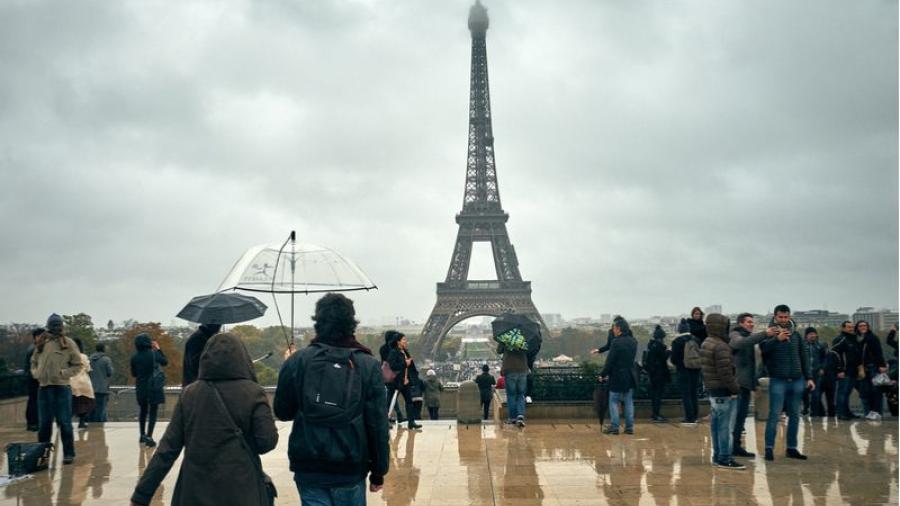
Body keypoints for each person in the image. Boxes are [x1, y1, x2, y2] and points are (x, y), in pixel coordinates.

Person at [130, 333, 278, 506]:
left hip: (194, 490)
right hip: (241, 488)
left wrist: (142, 494)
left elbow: (167, 449)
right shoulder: (253, 392)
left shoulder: (190, 394)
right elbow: (267, 442)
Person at [274, 293, 389, 503]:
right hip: (350, 464)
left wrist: (289, 365)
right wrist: (379, 470)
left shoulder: (299, 360)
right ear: (351, 323)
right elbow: (377, 424)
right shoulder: (368, 364)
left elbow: (283, 412)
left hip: (309, 463)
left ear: (317, 321)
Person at [759, 304, 814, 462]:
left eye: (786, 317)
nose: (783, 320)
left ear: (789, 317)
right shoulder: (769, 333)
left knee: (795, 415)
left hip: (797, 379)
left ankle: (791, 448)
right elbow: (763, 350)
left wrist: (809, 377)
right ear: (775, 317)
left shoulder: (796, 335)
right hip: (778, 380)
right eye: (780, 317)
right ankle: (769, 448)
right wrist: (777, 339)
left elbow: (804, 357)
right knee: (774, 415)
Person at [31, 314, 82, 464]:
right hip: (44, 388)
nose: (56, 328)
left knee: (64, 422)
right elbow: (33, 362)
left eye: (58, 325)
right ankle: (43, 455)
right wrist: (36, 373)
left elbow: (78, 364)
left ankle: (69, 453)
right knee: (44, 424)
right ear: (48, 326)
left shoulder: (68, 343)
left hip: (61, 387)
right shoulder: (42, 342)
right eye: (53, 325)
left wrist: (63, 373)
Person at [728, 312, 775, 457]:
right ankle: (732, 447)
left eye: (752, 322)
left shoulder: (746, 336)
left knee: (740, 418)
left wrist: (754, 383)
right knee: (736, 419)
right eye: (748, 322)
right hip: (739, 384)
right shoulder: (735, 334)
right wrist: (764, 334)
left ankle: (736, 446)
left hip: (746, 384)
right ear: (741, 323)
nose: (752, 324)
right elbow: (739, 343)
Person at [700, 313, 743, 469]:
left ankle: (718, 456)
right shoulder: (721, 346)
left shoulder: (707, 342)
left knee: (716, 426)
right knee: (725, 427)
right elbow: (726, 373)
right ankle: (725, 457)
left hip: (713, 390)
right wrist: (735, 389)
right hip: (723, 391)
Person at [601, 318, 638, 435]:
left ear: (619, 329)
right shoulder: (633, 341)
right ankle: (629, 427)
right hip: (630, 375)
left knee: (613, 400)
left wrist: (603, 374)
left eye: (614, 328)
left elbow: (610, 361)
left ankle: (615, 426)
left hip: (617, 375)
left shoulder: (616, 342)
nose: (613, 330)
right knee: (628, 401)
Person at [131, 333, 168, 448]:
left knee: (143, 411)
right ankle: (149, 436)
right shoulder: (154, 354)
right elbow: (165, 362)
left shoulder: (134, 358)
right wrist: (158, 349)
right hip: (153, 386)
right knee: (153, 411)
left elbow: (134, 374)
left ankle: (142, 435)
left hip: (141, 386)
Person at [387, 332, 423, 430]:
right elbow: (392, 366)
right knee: (390, 403)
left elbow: (409, 366)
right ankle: (385, 422)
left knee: (409, 402)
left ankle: (411, 422)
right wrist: (405, 363)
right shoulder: (394, 352)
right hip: (396, 382)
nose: (406, 341)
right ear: (398, 342)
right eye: (404, 340)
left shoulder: (404, 352)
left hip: (405, 381)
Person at [670, 318, 702, 425]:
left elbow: (674, 359)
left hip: (683, 370)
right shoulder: (696, 339)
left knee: (686, 395)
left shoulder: (677, 341)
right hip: (696, 370)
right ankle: (696, 416)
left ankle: (689, 418)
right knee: (694, 393)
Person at [831, 321, 864, 420]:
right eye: (849, 327)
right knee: (842, 392)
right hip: (844, 371)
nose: (851, 329)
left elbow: (857, 356)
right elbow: (835, 355)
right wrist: (839, 370)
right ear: (843, 328)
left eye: (852, 327)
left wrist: (859, 369)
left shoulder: (853, 339)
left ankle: (847, 412)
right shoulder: (840, 339)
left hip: (853, 371)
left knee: (848, 393)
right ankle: (840, 413)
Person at [856, 320, 888, 420]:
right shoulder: (857, 339)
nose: (863, 327)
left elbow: (879, 352)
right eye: (860, 326)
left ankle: (877, 413)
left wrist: (882, 365)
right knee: (864, 392)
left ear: (868, 327)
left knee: (876, 391)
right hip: (862, 369)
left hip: (873, 367)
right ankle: (868, 413)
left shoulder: (872, 338)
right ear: (857, 328)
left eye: (865, 325)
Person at [499, 339, 530, 428]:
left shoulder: (506, 337)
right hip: (522, 369)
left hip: (510, 370)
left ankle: (512, 418)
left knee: (511, 395)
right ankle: (520, 415)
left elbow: (499, 350)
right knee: (521, 394)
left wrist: (503, 342)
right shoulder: (524, 338)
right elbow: (530, 351)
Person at [642, 325, 670, 422]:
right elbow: (662, 359)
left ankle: (655, 414)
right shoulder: (659, 346)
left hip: (653, 373)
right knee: (658, 395)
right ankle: (656, 414)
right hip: (659, 374)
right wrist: (668, 352)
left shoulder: (651, 345)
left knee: (655, 395)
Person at [381, 330, 406, 425]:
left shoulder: (384, 348)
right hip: (392, 376)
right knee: (391, 397)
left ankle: (394, 416)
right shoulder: (391, 350)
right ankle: (392, 416)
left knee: (392, 397)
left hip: (389, 376)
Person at [69, 338, 95, 429]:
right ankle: (82, 422)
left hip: (71, 381)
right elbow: (88, 368)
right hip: (83, 382)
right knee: (84, 403)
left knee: (71, 404)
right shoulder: (83, 356)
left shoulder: (68, 356)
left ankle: (68, 422)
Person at [802, 327, 827, 417]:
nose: (813, 335)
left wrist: (822, 368)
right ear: (806, 335)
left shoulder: (821, 345)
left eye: (814, 333)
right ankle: (806, 407)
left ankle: (814, 414)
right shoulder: (802, 345)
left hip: (817, 373)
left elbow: (825, 358)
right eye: (810, 334)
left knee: (816, 395)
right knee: (803, 392)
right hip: (804, 374)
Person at [23, 327, 44, 431]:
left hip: (31, 378)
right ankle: (33, 423)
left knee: (33, 401)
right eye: (42, 336)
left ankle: (32, 423)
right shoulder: (34, 349)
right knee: (34, 401)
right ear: (36, 337)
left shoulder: (33, 348)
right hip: (33, 379)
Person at [88, 342, 114, 423]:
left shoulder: (89, 359)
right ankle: (98, 427)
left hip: (90, 388)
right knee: (101, 409)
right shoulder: (106, 359)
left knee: (91, 410)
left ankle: (91, 427)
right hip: (102, 388)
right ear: (103, 349)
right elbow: (110, 372)